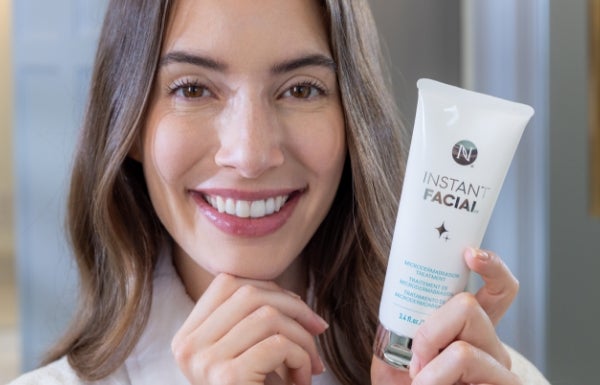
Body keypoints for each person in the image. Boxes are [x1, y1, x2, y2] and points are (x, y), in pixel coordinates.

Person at [9, 0, 550, 384]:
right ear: (127, 124)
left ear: (351, 122)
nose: (249, 153)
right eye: (192, 88)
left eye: (301, 89)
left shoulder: (492, 379)